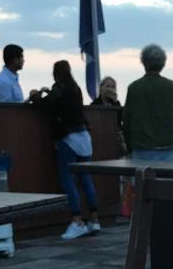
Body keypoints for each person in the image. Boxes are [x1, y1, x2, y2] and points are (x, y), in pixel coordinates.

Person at [31, 60, 100, 240]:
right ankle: (94, 219)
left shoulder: (59, 87)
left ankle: (77, 221)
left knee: (68, 181)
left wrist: (35, 96)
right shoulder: (76, 88)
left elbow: (45, 105)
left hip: (68, 139)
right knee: (86, 180)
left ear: (56, 73)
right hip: (84, 137)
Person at [123, 44, 173, 160]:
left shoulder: (133, 88)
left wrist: (129, 146)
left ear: (143, 62)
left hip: (140, 149)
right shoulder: (170, 86)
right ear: (163, 63)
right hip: (167, 148)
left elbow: (126, 120)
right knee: (166, 178)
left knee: (142, 178)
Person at [91, 76, 126, 155]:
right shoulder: (95, 104)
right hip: (99, 139)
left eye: (113, 87)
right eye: (108, 86)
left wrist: (115, 102)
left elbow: (121, 119)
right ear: (101, 88)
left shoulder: (117, 104)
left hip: (115, 138)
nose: (110, 89)